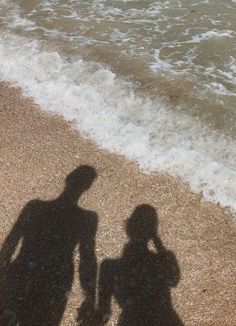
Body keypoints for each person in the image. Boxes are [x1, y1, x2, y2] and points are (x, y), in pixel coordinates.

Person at [0, 165, 98, 326]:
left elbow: (10, 244)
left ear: (68, 178)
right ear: (87, 187)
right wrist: (90, 295)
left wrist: (2, 272)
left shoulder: (35, 208)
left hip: (22, 273)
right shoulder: (86, 219)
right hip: (54, 281)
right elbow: (87, 260)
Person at [97, 204, 183, 325]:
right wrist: (157, 241)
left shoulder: (109, 268)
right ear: (152, 232)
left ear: (128, 227)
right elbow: (174, 279)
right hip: (165, 320)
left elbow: (104, 313)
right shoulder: (160, 261)